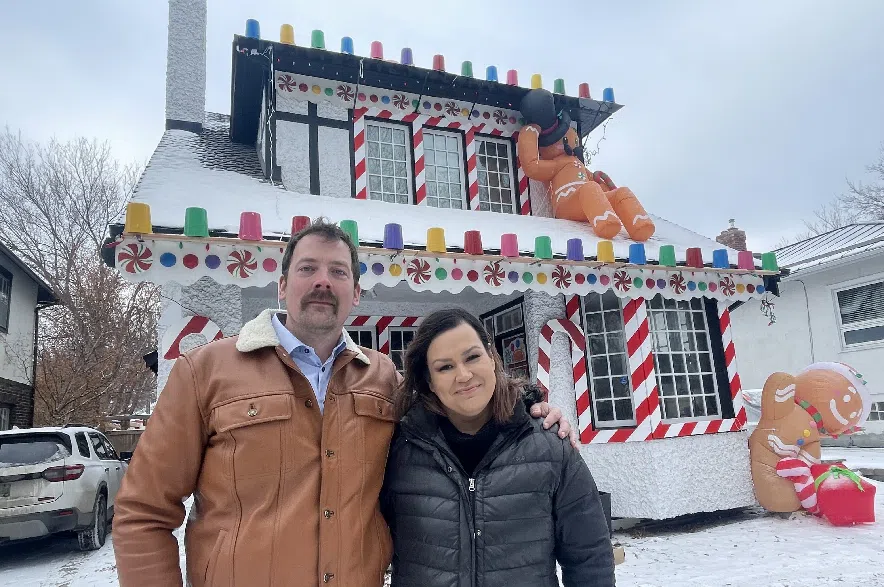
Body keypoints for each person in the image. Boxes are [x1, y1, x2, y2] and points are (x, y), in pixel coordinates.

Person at [113, 219, 577, 587]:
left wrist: (528, 411)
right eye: (308, 268)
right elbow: (144, 512)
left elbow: (457, 411)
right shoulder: (206, 371)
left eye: (338, 272)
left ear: (355, 293)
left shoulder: (385, 380)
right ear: (282, 285)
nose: (322, 282)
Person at [382, 308, 615, 587]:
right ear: (429, 381)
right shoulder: (398, 451)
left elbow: (590, 559)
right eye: (445, 367)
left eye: (472, 357)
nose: (464, 375)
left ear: (492, 358)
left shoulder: (550, 448)